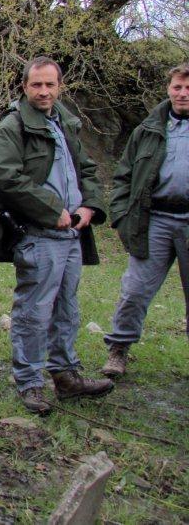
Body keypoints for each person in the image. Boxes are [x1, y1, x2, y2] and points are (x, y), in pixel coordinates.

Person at [0, 56, 113, 414]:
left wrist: (90, 207)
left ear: (59, 86)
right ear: (24, 86)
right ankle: (30, 383)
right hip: (37, 234)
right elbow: (3, 179)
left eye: (50, 84)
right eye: (36, 85)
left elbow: (85, 169)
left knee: (67, 309)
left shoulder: (65, 123)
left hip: (72, 237)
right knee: (33, 312)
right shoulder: (12, 127)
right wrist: (53, 211)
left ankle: (66, 376)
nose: (43, 91)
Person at [102, 64, 189, 377]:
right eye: (178, 87)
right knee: (135, 291)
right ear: (168, 88)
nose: (182, 94)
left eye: (188, 89)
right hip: (155, 220)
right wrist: (122, 217)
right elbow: (123, 175)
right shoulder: (150, 129)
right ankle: (118, 350)